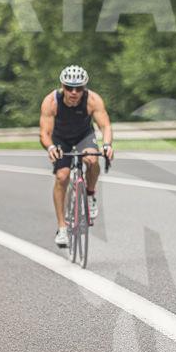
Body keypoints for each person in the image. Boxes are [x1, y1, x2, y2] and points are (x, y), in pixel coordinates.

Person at [39, 65, 114, 247]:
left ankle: (90, 194)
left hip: (83, 136)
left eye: (79, 88)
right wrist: (50, 148)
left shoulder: (93, 100)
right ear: (62, 86)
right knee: (62, 176)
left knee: (92, 159)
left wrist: (107, 145)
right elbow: (44, 133)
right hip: (60, 138)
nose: (74, 92)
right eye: (69, 87)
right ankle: (62, 228)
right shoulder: (51, 102)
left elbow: (105, 126)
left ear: (84, 88)